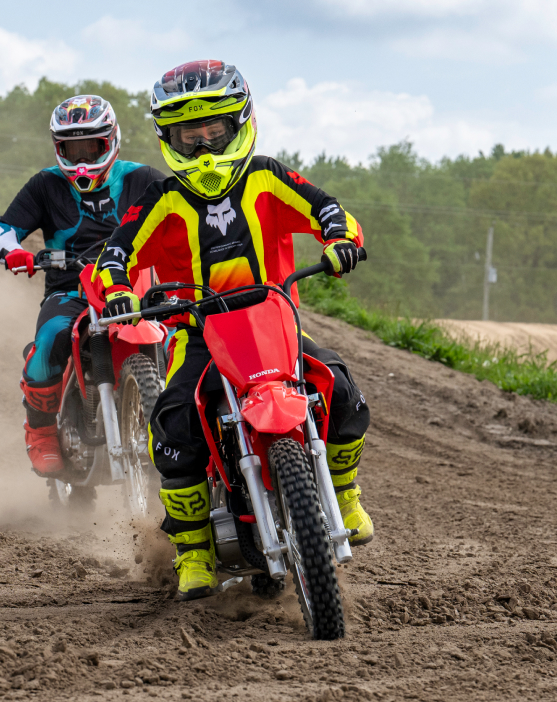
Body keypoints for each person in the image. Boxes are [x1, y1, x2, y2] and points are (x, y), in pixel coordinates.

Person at [93, 60, 373, 601]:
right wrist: (120, 288)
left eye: (213, 131)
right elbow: (116, 253)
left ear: (237, 123)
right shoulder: (163, 199)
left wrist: (340, 239)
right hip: (199, 330)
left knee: (341, 388)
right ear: (168, 137)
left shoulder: (267, 176)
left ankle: (346, 493)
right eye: (187, 135)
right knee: (174, 425)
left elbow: (327, 208)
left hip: (274, 319)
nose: (201, 146)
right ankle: (193, 552)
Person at [0, 95, 165, 477]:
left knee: (189, 332)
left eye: (91, 146)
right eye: (72, 148)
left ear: (111, 140)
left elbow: (187, 218)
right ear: (58, 148)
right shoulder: (45, 185)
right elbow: (3, 230)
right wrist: (15, 252)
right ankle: (40, 431)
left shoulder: (145, 180)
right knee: (51, 336)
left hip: (136, 285)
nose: (82, 158)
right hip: (71, 289)